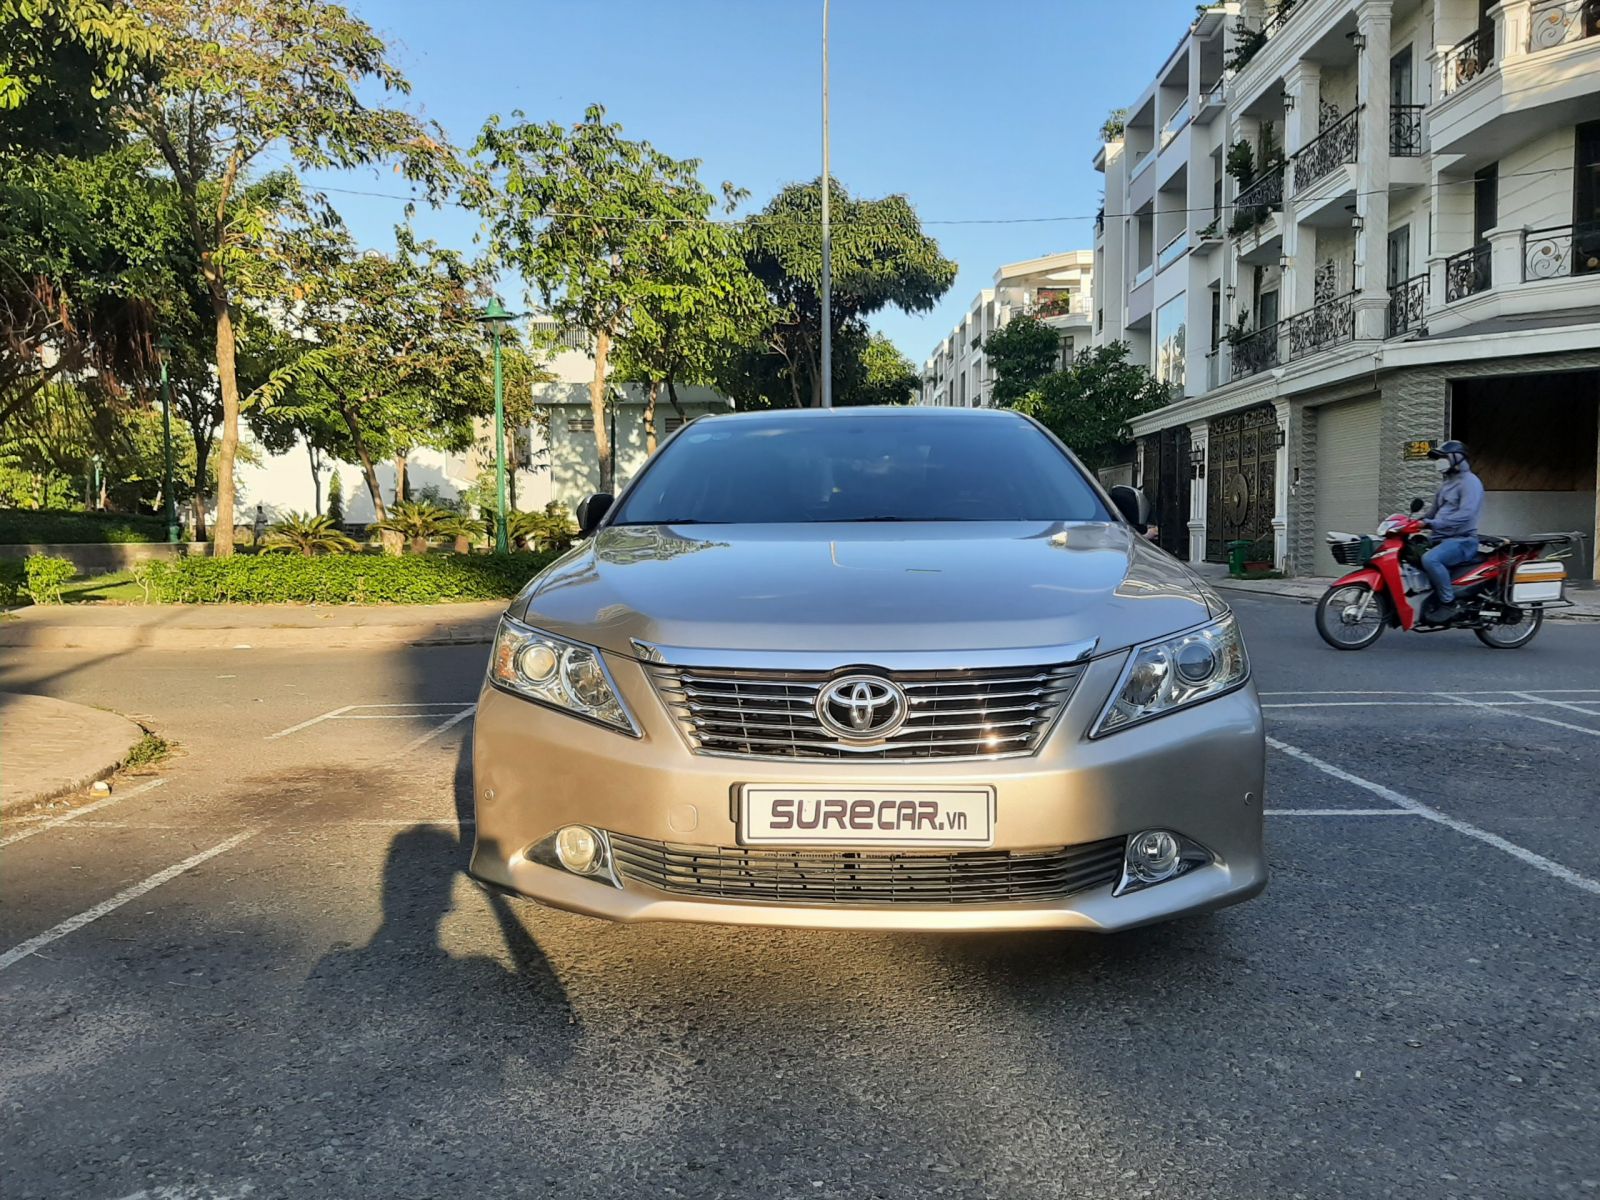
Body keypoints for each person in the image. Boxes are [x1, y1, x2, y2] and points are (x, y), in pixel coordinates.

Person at [1419, 439, 1484, 622]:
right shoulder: (1446, 484)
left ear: (1458, 458)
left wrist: (1433, 524)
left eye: (1444, 457)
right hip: (1440, 538)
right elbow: (1432, 512)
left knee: (1431, 559)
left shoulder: (1470, 482)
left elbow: (1466, 514)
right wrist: (1410, 521)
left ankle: (1448, 603)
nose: (1440, 461)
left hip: (1462, 540)